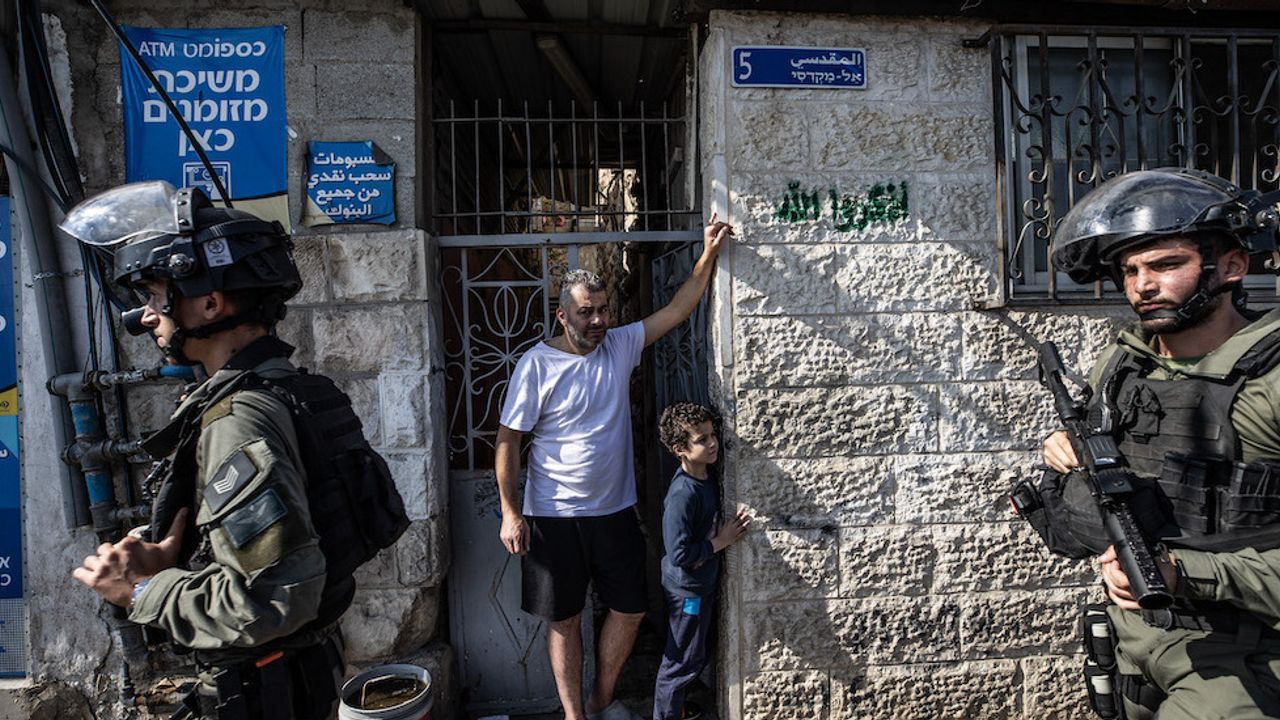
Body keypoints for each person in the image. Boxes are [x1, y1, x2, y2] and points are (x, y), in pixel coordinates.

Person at [65, 181, 408, 719]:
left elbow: (270, 600)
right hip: (299, 675)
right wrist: (180, 559)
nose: (146, 316)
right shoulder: (293, 390)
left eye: (155, 296)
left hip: (262, 691)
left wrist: (140, 591)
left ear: (209, 303)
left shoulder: (238, 417)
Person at [1031, 167, 1280, 719]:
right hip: (1134, 646)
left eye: (1166, 264)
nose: (1143, 285)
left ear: (1232, 266)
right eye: (1130, 270)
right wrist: (1066, 450)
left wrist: (1184, 573)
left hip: (1241, 658)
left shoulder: (1271, 378)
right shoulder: (1124, 363)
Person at [495, 215, 732, 720]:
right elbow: (509, 441)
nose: (598, 321)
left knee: (631, 608)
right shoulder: (537, 364)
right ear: (563, 316)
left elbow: (678, 308)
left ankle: (600, 701)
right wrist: (510, 512)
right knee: (564, 620)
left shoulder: (621, 345)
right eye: (587, 312)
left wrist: (708, 254)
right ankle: (574, 715)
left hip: (615, 511)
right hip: (553, 514)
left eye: (603, 310)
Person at [652, 402, 749, 720]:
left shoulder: (707, 477)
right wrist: (721, 541)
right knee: (682, 660)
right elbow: (678, 554)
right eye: (702, 439)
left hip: (700, 586)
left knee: (695, 651)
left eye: (712, 435)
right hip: (687, 594)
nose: (712, 443)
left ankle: (677, 707)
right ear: (679, 450)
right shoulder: (683, 495)